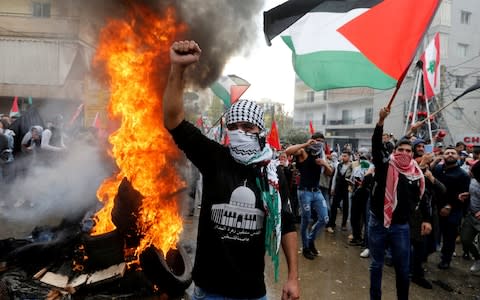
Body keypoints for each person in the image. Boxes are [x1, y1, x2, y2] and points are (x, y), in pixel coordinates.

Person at [163, 40, 299, 300]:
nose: (240, 132)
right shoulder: (215, 158)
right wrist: (177, 70)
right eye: (234, 126)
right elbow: (173, 120)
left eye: (248, 127)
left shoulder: (272, 173)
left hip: (251, 292)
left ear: (260, 132)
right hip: (209, 290)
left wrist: (293, 277)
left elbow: (288, 224)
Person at [369, 107, 430, 300]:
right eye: (400, 150)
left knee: (403, 269)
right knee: (376, 265)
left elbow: (422, 198)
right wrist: (381, 121)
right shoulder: (385, 166)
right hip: (378, 223)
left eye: (408, 151)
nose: (404, 153)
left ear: (412, 154)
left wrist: (426, 219)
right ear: (394, 151)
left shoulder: (416, 174)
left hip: (401, 226)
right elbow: (376, 145)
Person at [285, 133, 333, 260]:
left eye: (321, 141)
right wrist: (306, 144)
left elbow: (329, 173)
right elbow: (288, 151)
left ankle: (310, 240)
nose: (318, 143)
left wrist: (324, 164)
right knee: (305, 220)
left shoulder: (321, 155)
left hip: (316, 192)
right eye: (316, 141)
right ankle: (306, 247)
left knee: (324, 218)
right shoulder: (303, 152)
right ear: (312, 140)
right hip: (304, 192)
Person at [433, 146, 471, 269]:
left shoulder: (463, 175)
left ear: (458, 157)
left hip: (453, 210)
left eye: (453, 153)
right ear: (443, 156)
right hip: (436, 208)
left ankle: (446, 259)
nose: (450, 154)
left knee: (449, 236)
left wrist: (449, 206)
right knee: (434, 233)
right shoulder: (437, 169)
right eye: (447, 152)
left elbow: (463, 195)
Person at [460, 160, 480, 274]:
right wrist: (467, 194)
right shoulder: (473, 179)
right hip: (471, 216)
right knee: (465, 240)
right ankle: (478, 259)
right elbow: (474, 191)